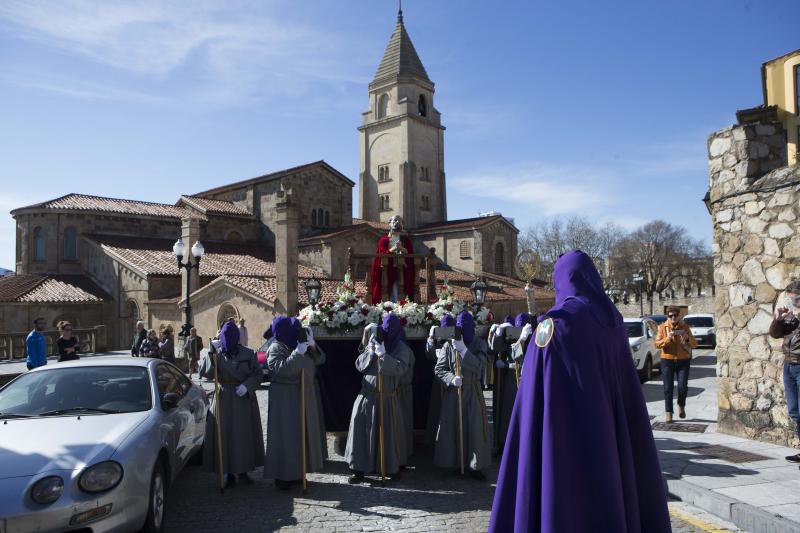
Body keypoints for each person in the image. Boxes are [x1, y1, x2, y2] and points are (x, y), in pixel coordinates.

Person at [489, 250, 670, 533]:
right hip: (611, 435)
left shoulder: (555, 325)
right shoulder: (614, 322)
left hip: (563, 438)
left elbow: (534, 390)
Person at [345, 313, 412, 484]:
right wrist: (371, 352)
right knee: (361, 433)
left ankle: (391, 467)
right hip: (367, 396)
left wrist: (385, 357)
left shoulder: (402, 348)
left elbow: (401, 369)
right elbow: (359, 365)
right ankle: (358, 469)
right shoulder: (374, 341)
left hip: (388, 398)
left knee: (389, 434)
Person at [199, 320, 264, 488]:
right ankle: (226, 472)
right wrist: (210, 352)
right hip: (224, 397)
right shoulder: (218, 354)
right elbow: (205, 373)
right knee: (224, 435)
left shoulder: (249, 353)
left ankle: (243, 471)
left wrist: (247, 386)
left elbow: (258, 374)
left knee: (243, 435)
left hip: (243, 397)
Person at [264, 317, 325, 490]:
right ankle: (282, 475)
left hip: (301, 392)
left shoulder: (298, 344)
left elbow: (321, 359)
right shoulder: (276, 347)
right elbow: (282, 370)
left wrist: (312, 345)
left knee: (300, 434)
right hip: (284, 396)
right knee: (285, 435)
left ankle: (298, 472)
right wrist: (297, 353)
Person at [434, 310, 491, 480]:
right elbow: (439, 369)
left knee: (474, 428)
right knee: (453, 427)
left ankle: (475, 465)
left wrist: (464, 351)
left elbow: (480, 367)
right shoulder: (448, 345)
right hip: (454, 392)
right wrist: (451, 379)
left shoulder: (479, 344)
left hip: (473, 391)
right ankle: (455, 462)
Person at [489, 314, 534, 455]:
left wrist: (508, 365)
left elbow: (525, 360)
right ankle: (505, 444)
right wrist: (496, 333)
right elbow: (498, 349)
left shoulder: (532, 339)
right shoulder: (512, 339)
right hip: (511, 383)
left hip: (527, 383)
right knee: (509, 415)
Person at [769, 281, 800, 466]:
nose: (793, 300)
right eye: (790, 297)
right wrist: (778, 319)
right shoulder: (789, 316)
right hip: (789, 366)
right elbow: (774, 334)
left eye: (795, 297)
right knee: (794, 411)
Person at [655, 305, 698, 423]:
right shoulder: (662, 328)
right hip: (667, 361)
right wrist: (668, 338)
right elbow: (657, 344)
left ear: (679, 316)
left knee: (682, 387)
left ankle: (681, 406)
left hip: (683, 360)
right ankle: (669, 412)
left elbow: (695, 344)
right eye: (670, 315)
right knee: (668, 388)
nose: (673, 317)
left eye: (675, 315)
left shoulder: (685, 327)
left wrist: (687, 338)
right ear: (667, 316)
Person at [425, 314, 454, 446]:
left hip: (452, 380)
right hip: (439, 381)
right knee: (437, 410)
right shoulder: (438, 339)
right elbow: (429, 355)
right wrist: (431, 338)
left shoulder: (456, 339)